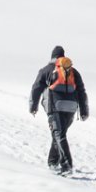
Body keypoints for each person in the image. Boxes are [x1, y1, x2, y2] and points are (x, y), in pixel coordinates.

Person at [29, 45, 89, 175]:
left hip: (55, 106)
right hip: (71, 108)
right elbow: (81, 91)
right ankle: (52, 162)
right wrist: (84, 110)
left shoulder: (46, 70)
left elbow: (36, 88)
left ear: (52, 57)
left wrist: (33, 106)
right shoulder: (73, 71)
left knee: (59, 134)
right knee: (59, 134)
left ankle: (66, 165)